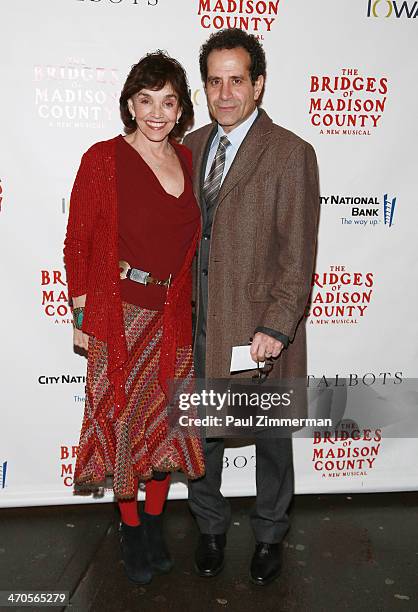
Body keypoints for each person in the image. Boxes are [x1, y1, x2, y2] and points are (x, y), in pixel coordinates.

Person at [184, 29, 320, 586]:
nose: (224, 94)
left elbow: (298, 254)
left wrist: (276, 326)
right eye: (214, 82)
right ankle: (210, 527)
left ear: (258, 85)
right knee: (202, 438)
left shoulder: (291, 153)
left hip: (260, 332)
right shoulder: (188, 147)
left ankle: (269, 535)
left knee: (270, 443)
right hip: (196, 326)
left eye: (236, 80)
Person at [64, 51, 205, 585]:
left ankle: (152, 523)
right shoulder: (102, 159)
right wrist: (81, 310)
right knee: (125, 427)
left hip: (172, 314)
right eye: (146, 100)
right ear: (129, 102)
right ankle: (129, 530)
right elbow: (78, 243)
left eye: (168, 102)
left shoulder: (188, 160)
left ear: (181, 110)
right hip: (118, 314)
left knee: (166, 427)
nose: (156, 112)